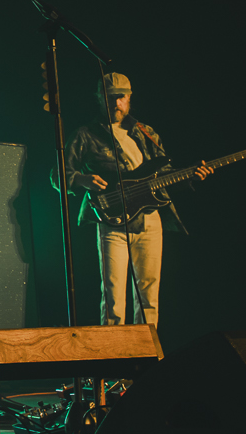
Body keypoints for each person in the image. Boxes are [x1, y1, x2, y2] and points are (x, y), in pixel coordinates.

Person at [63, 71, 211, 330]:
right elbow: (59, 174)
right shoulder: (85, 135)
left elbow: (164, 176)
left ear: (129, 98)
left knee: (149, 296)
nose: (115, 103)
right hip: (113, 222)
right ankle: (113, 363)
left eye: (120, 98)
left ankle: (147, 358)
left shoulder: (146, 132)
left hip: (149, 220)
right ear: (99, 98)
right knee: (113, 298)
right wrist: (82, 180)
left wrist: (191, 178)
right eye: (109, 98)